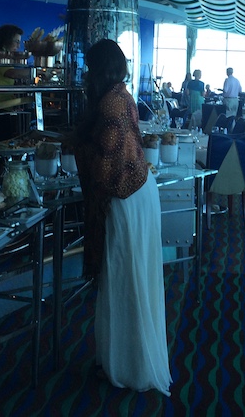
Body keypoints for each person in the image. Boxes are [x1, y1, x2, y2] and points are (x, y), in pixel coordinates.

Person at [71, 39, 171, 396]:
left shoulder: (111, 102)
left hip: (125, 197)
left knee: (124, 281)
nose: (85, 74)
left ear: (100, 69)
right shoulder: (119, 95)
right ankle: (125, 360)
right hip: (136, 193)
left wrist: (75, 146)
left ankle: (129, 367)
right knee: (130, 279)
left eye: (89, 68)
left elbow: (106, 168)